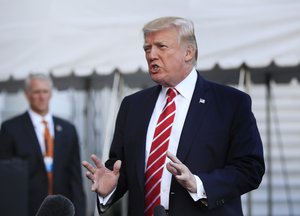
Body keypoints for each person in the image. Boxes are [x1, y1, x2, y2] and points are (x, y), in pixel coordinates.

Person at [82, 16, 265, 216]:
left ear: (188, 52)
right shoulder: (132, 106)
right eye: (147, 48)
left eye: (161, 46)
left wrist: (199, 184)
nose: (152, 55)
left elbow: (250, 169)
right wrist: (111, 187)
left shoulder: (230, 103)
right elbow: (120, 168)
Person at [0, 74, 86, 216]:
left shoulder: (68, 129)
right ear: (27, 95)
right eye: (36, 92)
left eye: (45, 91)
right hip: (26, 209)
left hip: (62, 210)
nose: (41, 96)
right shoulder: (10, 129)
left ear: (51, 94)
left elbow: (76, 179)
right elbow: (6, 179)